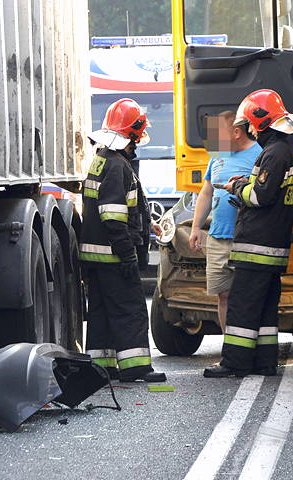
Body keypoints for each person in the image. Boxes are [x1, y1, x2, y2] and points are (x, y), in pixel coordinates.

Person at [203, 89, 293, 378]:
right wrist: (247, 181)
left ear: (260, 121)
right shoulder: (283, 151)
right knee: (265, 309)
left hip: (257, 245)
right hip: (272, 246)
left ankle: (234, 362)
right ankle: (264, 362)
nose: (250, 130)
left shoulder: (273, 154)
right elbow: (267, 187)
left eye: (249, 124)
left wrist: (236, 187)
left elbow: (260, 196)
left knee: (243, 307)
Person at [81, 98, 166, 383]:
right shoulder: (118, 166)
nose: (137, 144)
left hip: (97, 256)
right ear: (132, 134)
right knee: (130, 310)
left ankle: (102, 367)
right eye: (137, 137)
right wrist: (128, 253)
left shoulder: (102, 159)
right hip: (113, 255)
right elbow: (113, 215)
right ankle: (136, 367)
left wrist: (147, 224)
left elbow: (118, 209)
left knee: (102, 313)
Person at [188, 110, 261, 331]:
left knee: (246, 297)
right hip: (217, 238)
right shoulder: (218, 156)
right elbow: (206, 192)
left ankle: (246, 344)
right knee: (223, 295)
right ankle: (230, 345)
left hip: (245, 239)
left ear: (236, 132)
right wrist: (196, 228)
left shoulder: (259, 155)